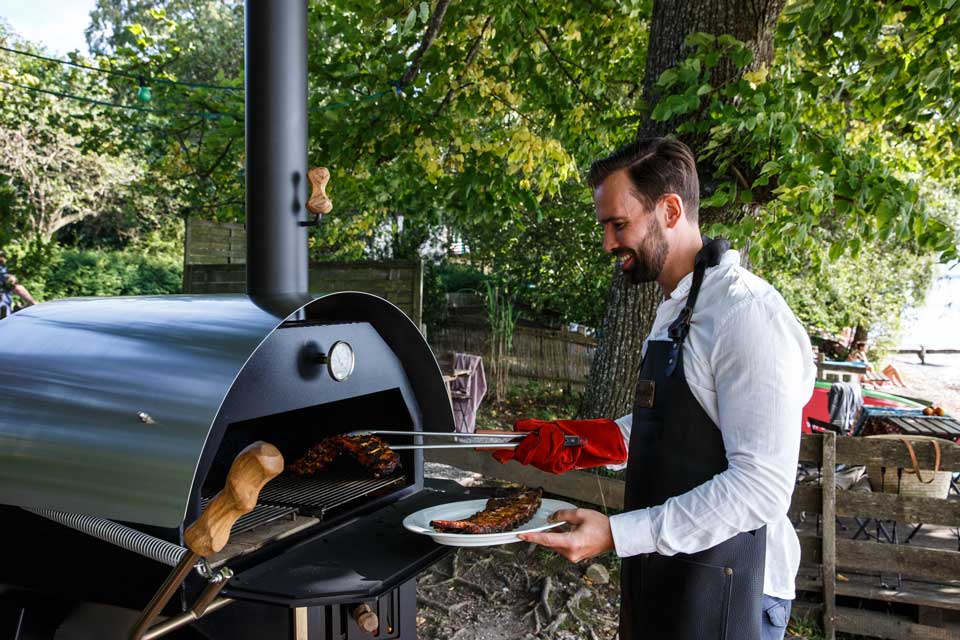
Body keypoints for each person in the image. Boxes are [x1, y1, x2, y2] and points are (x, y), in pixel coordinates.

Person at [494, 138, 816, 640]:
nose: (606, 243)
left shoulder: (745, 315)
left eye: (618, 224)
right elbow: (671, 426)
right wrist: (578, 442)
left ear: (669, 210)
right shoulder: (679, 308)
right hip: (669, 564)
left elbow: (761, 488)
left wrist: (620, 533)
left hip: (735, 582)